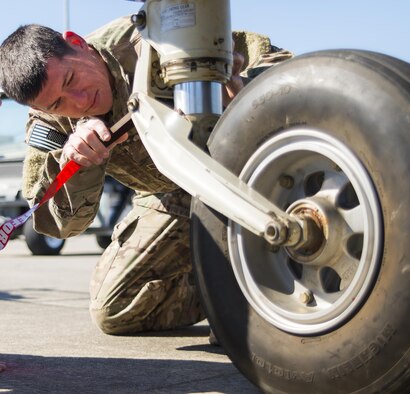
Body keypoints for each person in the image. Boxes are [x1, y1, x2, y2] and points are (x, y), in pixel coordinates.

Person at [0, 16, 292, 336]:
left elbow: (287, 70)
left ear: (77, 43)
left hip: (242, 172)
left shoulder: (157, 38)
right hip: (170, 196)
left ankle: (276, 278)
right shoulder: (48, 124)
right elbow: (59, 225)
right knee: (114, 309)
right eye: (59, 103)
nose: (80, 102)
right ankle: (225, 291)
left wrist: (242, 89)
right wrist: (80, 162)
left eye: (71, 80)